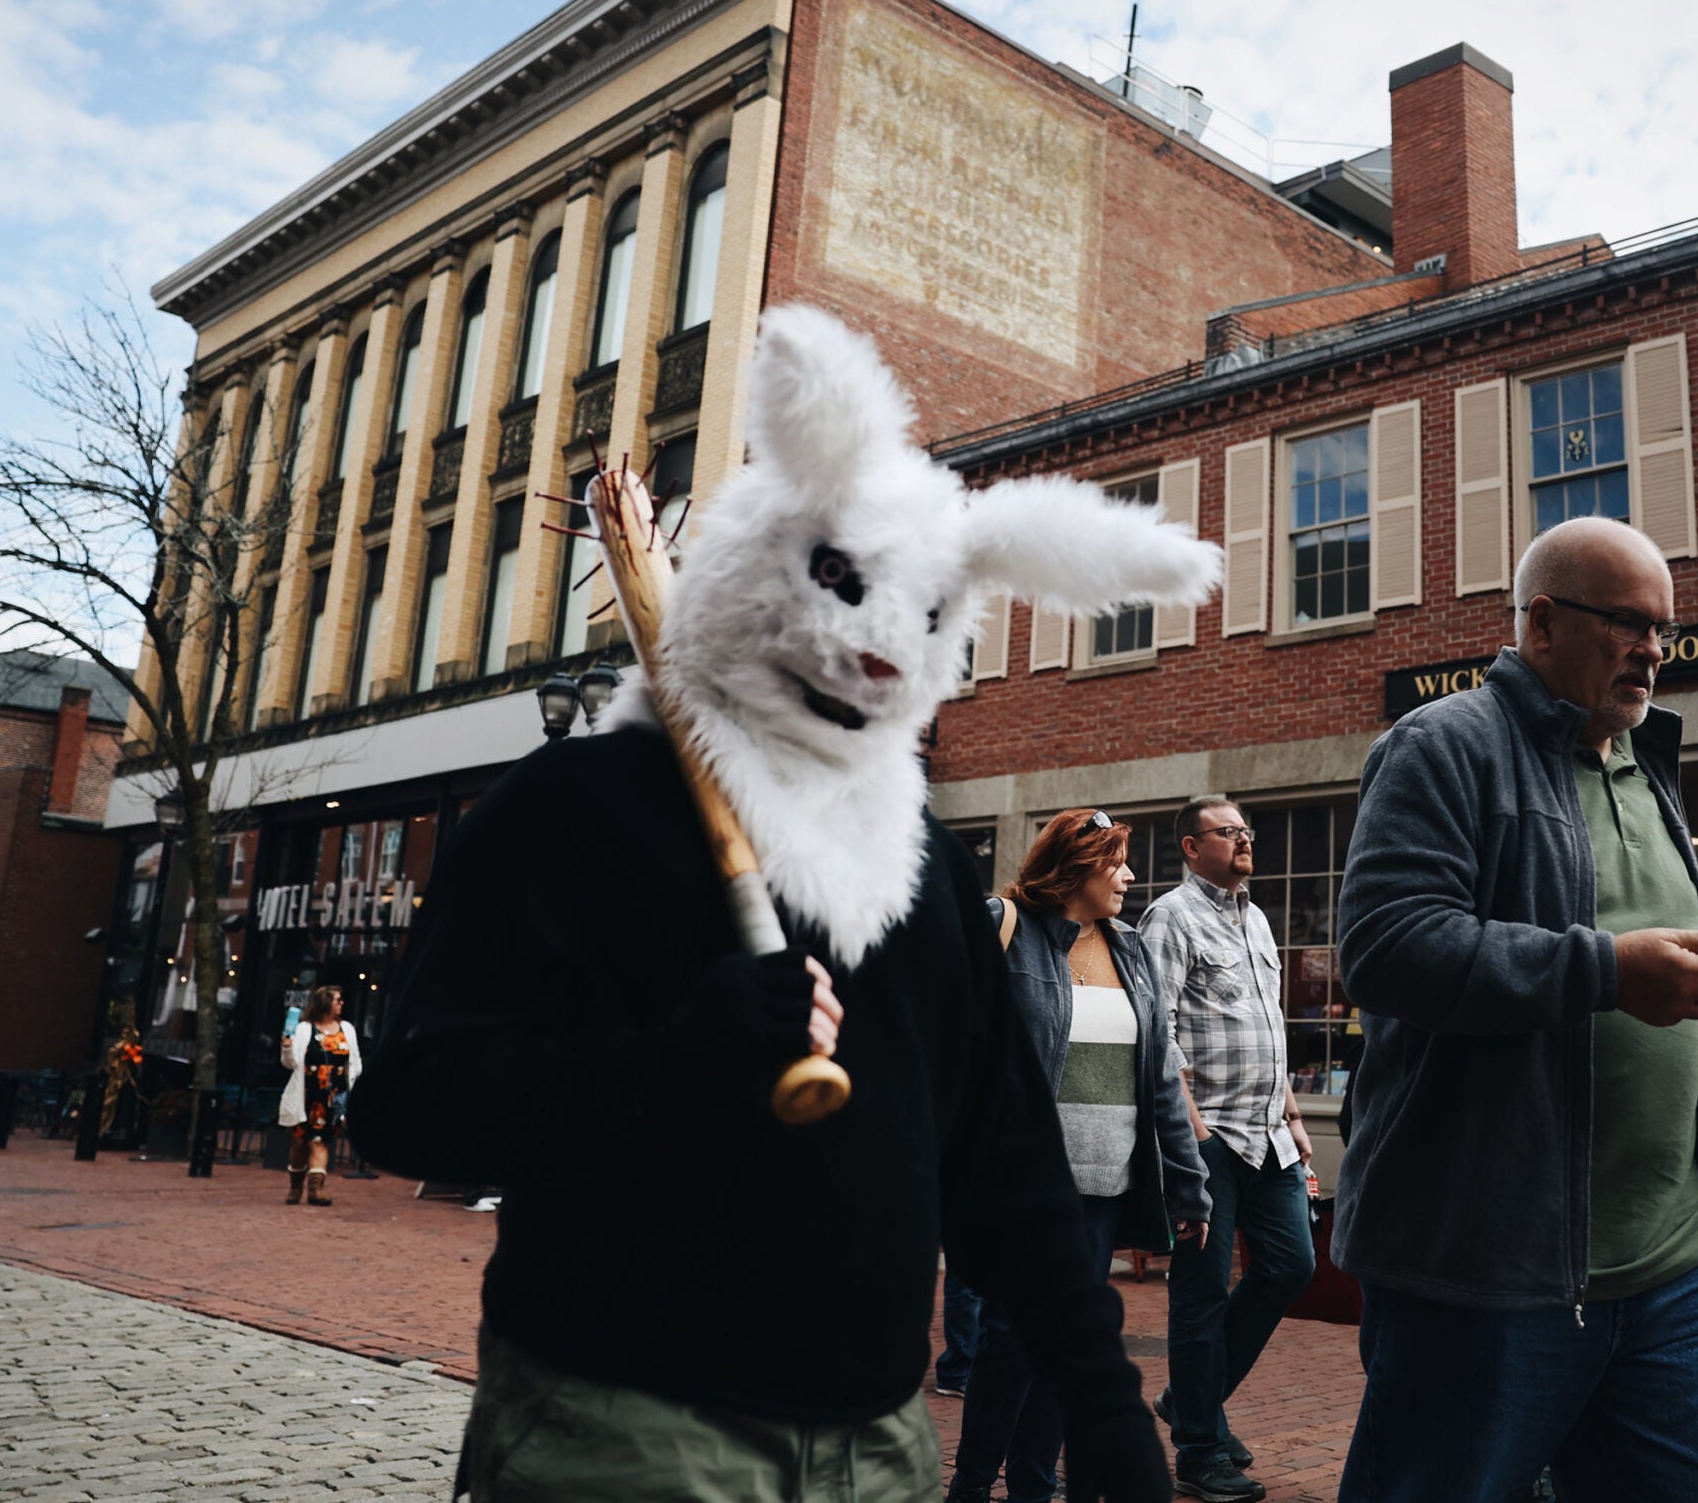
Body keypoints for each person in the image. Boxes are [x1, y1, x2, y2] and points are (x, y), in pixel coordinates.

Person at [345, 305, 1212, 1503]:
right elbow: (411, 1108)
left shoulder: (923, 866)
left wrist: (1103, 1401)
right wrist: (677, 1056)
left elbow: (1001, 1156)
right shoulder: (578, 807)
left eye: (920, 618)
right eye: (845, 588)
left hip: (876, 1443)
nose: (878, 652)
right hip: (626, 1423)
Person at [1330, 516, 1698, 1503]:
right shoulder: (1440, 746)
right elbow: (1386, 949)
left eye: (1665, 629)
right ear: (1541, 623)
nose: (1653, 650)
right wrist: (1608, 973)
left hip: (1679, 1264)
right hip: (1486, 1280)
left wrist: (1682, 969)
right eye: (1628, 622)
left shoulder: (1643, 761)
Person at [948, 810, 1210, 1503]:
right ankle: (972, 1483)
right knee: (1008, 1339)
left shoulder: (1131, 948)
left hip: (1102, 1187)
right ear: (1076, 867)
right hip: (1023, 1184)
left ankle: (1033, 1485)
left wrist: (1190, 1188)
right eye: (1115, 862)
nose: (1128, 875)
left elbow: (1161, 1078)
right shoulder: (1004, 926)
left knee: (1067, 1344)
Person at [1134, 796, 1314, 1501]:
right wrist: (1189, 1132)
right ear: (1190, 844)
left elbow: (1271, 1027)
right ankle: (1200, 1450)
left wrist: (1296, 1122)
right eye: (1228, 831)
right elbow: (1158, 1028)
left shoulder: (1259, 917)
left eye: (1246, 830)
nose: (1244, 839)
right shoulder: (1169, 917)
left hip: (1268, 1133)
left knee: (1290, 1266)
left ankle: (1190, 1399)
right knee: (1201, 1295)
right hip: (1207, 1135)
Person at [279, 985, 363, 1208]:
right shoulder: (306, 1028)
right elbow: (291, 1063)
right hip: (306, 1094)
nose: (341, 1004)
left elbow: (354, 1061)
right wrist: (287, 1047)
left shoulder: (347, 1028)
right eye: (337, 1000)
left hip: (333, 1096)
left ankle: (316, 1191)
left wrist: (351, 1090)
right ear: (325, 1003)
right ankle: (295, 1186)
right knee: (299, 1142)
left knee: (320, 1141)